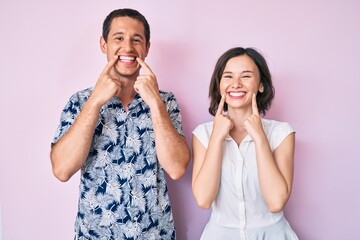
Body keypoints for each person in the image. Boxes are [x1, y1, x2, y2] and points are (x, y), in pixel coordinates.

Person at [50, 8, 190, 239]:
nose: (128, 47)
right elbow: (62, 170)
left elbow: (176, 168)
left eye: (137, 40)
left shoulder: (166, 101)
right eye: (118, 38)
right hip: (94, 234)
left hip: (155, 234)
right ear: (103, 44)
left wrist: (155, 103)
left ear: (147, 48)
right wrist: (95, 102)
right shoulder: (80, 101)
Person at [192, 47, 298, 240]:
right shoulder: (204, 134)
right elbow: (203, 199)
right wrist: (216, 138)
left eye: (246, 76)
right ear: (219, 85)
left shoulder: (281, 133)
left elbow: (276, 202)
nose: (236, 84)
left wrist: (260, 138)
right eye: (228, 77)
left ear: (261, 85)